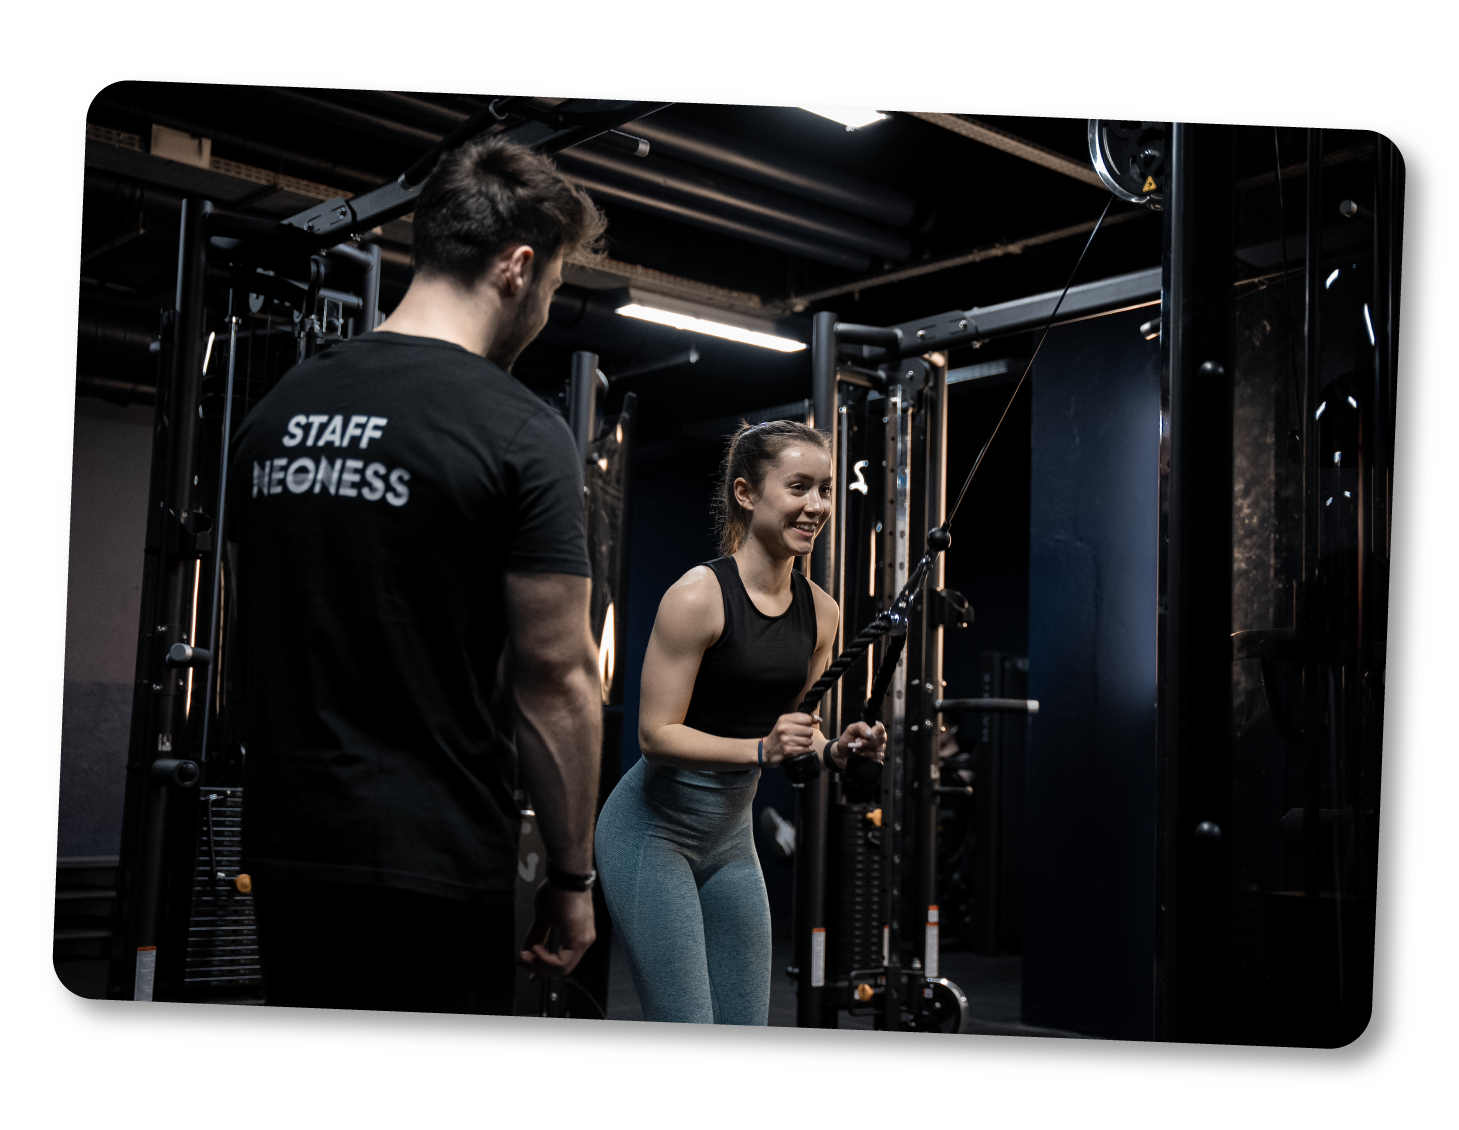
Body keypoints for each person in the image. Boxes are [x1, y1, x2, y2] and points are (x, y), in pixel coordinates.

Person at [227, 136, 607, 1014]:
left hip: (289, 850)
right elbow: (556, 679)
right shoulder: (519, 431)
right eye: (551, 287)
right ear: (517, 268)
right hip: (433, 860)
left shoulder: (277, 409)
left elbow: (266, 620)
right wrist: (570, 873)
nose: (545, 309)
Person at [594, 420, 886, 1024]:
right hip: (650, 834)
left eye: (826, 490)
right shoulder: (697, 597)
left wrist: (836, 752)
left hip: (729, 842)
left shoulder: (822, 613)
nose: (816, 506)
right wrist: (760, 750)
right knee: (690, 1031)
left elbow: (798, 737)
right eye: (799, 487)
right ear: (747, 493)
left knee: (745, 1031)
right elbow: (656, 736)